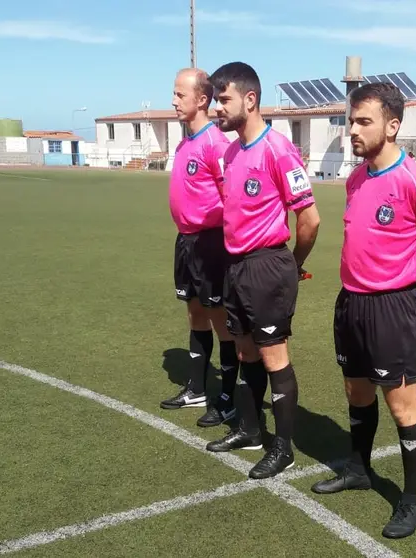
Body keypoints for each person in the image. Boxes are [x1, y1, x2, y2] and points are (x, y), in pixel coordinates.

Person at [309, 82, 416, 539]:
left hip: (392, 309)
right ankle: (359, 468)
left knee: (402, 407)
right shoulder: (357, 177)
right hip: (351, 303)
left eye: (363, 122)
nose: (351, 131)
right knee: (356, 393)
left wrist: (410, 277)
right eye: (349, 121)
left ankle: (412, 500)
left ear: (392, 126)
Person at [204, 61, 321, 480]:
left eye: (224, 99)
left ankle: (283, 449)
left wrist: (291, 264)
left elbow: (309, 220)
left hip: (268, 264)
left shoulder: (278, 149)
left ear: (250, 100)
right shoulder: (232, 152)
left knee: (273, 357)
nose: (218, 108)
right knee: (244, 351)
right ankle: (251, 430)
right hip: (236, 266)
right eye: (216, 100)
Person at [161, 68, 240, 429]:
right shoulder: (184, 143)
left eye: (180, 95)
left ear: (202, 100)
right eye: (174, 94)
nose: (174, 101)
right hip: (186, 241)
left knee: (220, 319)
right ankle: (196, 387)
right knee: (194, 313)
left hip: (210, 243)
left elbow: (232, 199)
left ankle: (227, 396)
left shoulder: (216, 144)